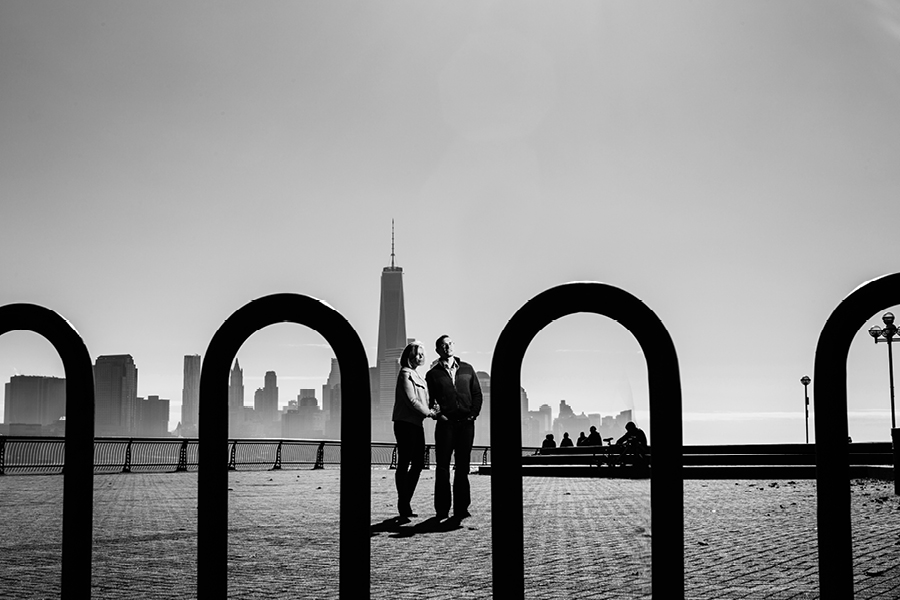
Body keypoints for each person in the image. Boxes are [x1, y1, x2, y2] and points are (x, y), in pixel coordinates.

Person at [426, 334, 483, 520]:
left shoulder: (467, 369)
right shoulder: (433, 374)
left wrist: (473, 414)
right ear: (438, 350)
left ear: (454, 346)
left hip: (466, 424)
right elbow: (430, 400)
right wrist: (439, 416)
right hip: (445, 425)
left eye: (450, 343)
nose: (447, 347)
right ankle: (442, 509)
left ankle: (461, 508)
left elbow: (477, 394)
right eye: (443, 345)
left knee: (462, 467)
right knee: (442, 468)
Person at [392, 341, 440, 519]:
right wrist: (430, 414)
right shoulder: (405, 374)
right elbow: (411, 400)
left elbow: (426, 400)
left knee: (418, 463)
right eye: (416, 354)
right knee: (404, 462)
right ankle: (403, 503)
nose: (419, 357)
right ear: (408, 355)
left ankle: (404, 499)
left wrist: (433, 408)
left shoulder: (419, 377)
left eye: (421, 354)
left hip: (416, 424)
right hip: (404, 423)